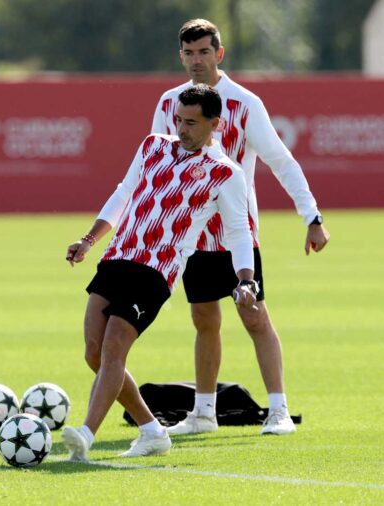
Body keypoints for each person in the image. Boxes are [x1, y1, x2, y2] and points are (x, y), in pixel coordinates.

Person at [151, 19, 330, 436]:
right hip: (192, 233)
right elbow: (158, 164)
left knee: (253, 315)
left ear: (219, 53)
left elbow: (280, 161)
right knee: (203, 318)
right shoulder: (168, 103)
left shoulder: (244, 103)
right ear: (181, 56)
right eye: (189, 54)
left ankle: (279, 409)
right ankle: (203, 413)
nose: (197, 61)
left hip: (237, 232)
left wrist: (312, 217)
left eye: (204, 52)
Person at [61, 84, 258, 461]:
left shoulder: (225, 173)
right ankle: (151, 429)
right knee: (94, 353)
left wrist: (246, 279)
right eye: (178, 120)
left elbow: (238, 230)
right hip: (118, 257)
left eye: (191, 123)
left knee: (115, 347)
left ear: (214, 124)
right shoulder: (153, 145)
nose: (181, 129)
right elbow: (124, 192)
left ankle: (86, 434)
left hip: (156, 269)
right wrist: (89, 240)